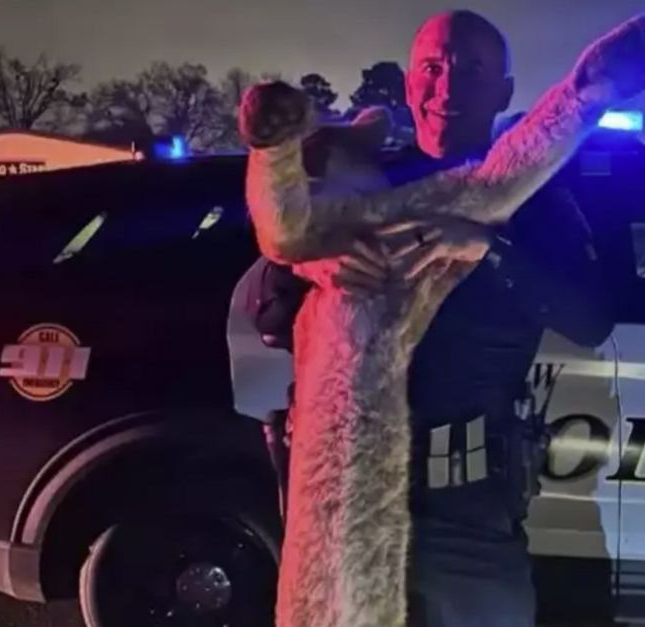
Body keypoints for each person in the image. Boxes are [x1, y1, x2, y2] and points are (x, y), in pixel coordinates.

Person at [253, 10, 616, 626]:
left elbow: (589, 319)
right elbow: (267, 307)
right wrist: (316, 265)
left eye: (471, 70)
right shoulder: (361, 183)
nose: (446, 88)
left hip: (464, 511)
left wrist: (486, 246)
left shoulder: (538, 197)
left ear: (504, 91)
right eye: (432, 68)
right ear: (410, 81)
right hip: (346, 502)